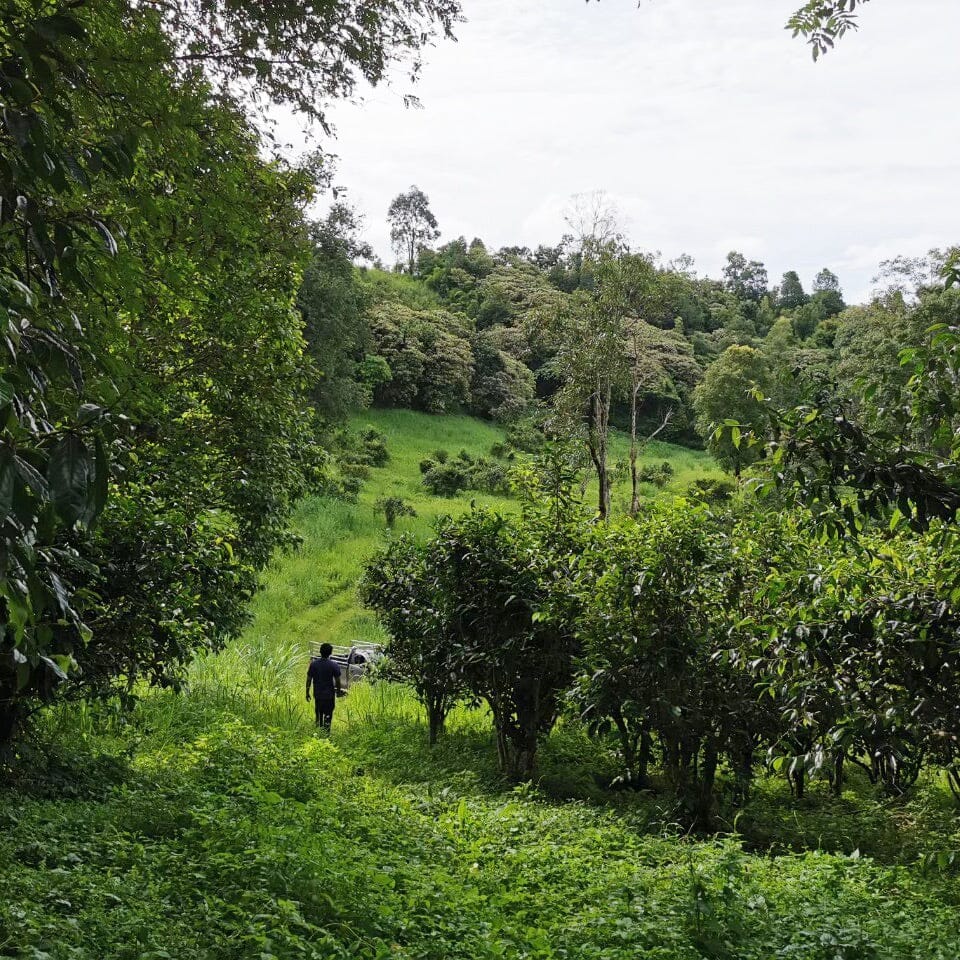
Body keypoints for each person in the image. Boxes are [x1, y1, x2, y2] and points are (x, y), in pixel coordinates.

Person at [306, 643, 342, 729]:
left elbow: (309, 679)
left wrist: (307, 692)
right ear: (331, 653)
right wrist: (338, 692)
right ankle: (326, 735)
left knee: (318, 714)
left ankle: (318, 733)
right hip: (329, 695)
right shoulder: (334, 665)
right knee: (328, 716)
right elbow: (338, 680)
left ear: (320, 651)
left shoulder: (314, 664)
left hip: (318, 694)